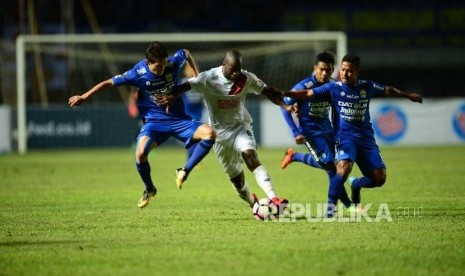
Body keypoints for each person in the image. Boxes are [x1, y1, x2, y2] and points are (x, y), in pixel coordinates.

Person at [68, 41, 217, 209]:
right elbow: (109, 82)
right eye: (157, 67)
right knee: (139, 155)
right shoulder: (138, 73)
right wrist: (85, 96)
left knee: (210, 134)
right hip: (154, 122)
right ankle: (149, 189)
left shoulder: (173, 63)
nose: (161, 69)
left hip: (178, 120)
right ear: (148, 63)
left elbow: (186, 52)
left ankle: (184, 170)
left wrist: (196, 75)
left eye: (163, 64)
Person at [282, 53, 422, 216]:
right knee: (335, 168)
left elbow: (387, 89)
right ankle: (337, 208)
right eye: (342, 70)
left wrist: (407, 96)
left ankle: (352, 183)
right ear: (315, 68)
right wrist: (294, 126)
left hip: (338, 132)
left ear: (357, 72)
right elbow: (303, 96)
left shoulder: (360, 86)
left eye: (347, 71)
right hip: (317, 133)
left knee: (377, 178)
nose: (343, 74)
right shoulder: (316, 86)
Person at [160, 50, 298, 215]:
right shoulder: (209, 77)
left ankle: (274, 198)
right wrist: (171, 95)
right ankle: (252, 202)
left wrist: (286, 106)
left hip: (240, 127)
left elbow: (267, 91)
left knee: (250, 155)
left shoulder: (246, 78)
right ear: (224, 64)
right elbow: (186, 85)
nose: (235, 73)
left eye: (238, 69)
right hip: (219, 136)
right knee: (238, 182)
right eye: (232, 69)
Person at [279, 52, 352, 210]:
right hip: (311, 134)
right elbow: (284, 107)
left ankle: (294, 156)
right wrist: (296, 132)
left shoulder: (333, 86)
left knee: (332, 165)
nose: (325, 73)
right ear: (315, 68)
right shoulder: (303, 87)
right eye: (321, 69)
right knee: (332, 167)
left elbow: (336, 109)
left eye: (328, 70)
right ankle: (346, 205)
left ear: (333, 69)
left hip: (328, 131)